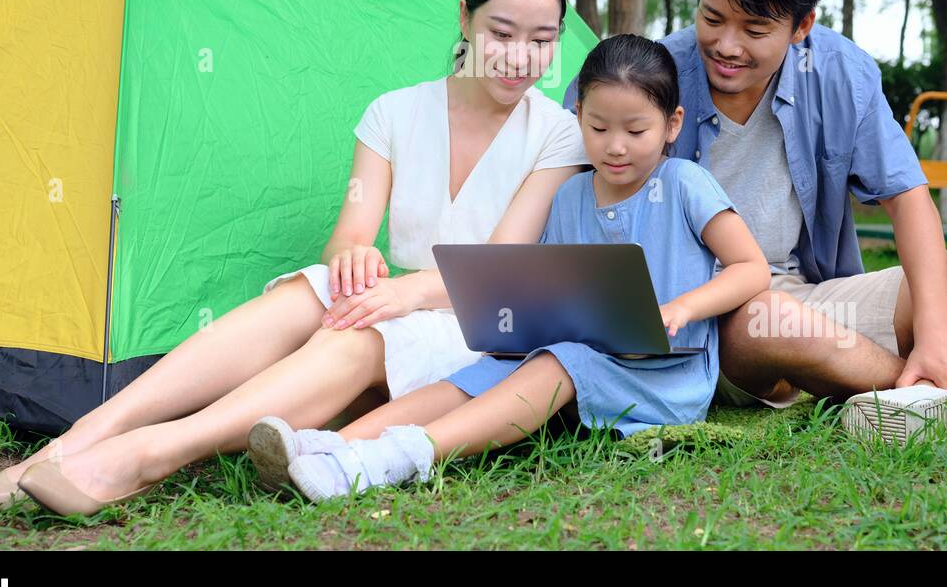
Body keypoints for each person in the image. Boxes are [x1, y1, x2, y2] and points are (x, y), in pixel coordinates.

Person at [0, 0, 593, 516]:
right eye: (501, 33)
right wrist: (356, 260)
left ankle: (147, 456)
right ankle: (87, 434)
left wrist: (401, 293)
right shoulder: (394, 113)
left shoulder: (559, 133)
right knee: (317, 287)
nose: (520, 59)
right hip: (403, 303)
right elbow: (350, 233)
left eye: (542, 40)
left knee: (354, 332)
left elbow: (501, 267)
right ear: (465, 18)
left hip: (483, 330)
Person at [558, 0, 947, 450]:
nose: (727, 46)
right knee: (769, 315)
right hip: (705, 320)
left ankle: (936, 383)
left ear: (801, 25)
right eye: (712, 19)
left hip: (812, 298)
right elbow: (573, 155)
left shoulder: (838, 72)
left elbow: (908, 198)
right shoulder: (655, 79)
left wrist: (939, 334)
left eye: (755, 29)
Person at [245, 33, 772, 501]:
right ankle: (333, 445)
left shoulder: (683, 184)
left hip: (663, 376)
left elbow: (750, 268)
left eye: (636, 131)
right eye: (598, 126)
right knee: (479, 372)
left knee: (558, 361)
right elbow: (549, 284)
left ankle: (405, 455)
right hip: (580, 351)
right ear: (579, 117)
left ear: (672, 124)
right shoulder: (569, 198)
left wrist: (682, 306)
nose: (615, 147)